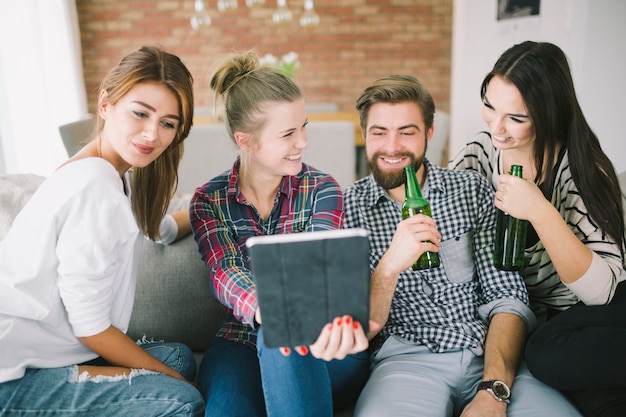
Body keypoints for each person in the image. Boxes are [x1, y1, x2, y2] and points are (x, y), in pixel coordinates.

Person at [344, 74, 582, 416]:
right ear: (365, 135)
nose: (392, 146)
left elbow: (508, 296)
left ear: (429, 133)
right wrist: (389, 265)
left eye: (407, 132)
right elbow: (358, 327)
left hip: (492, 356)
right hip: (405, 363)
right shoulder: (346, 209)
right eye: (379, 132)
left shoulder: (470, 191)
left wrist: (493, 388)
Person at [0, 46, 204, 416]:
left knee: (177, 358)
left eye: (168, 123)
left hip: (41, 350)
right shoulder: (96, 186)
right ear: (106, 103)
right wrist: (178, 385)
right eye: (140, 113)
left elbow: (152, 229)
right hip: (13, 375)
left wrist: (212, 204)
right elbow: (91, 327)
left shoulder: (100, 173)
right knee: (182, 400)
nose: (151, 134)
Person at [189, 50, 372, 417]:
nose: (302, 142)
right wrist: (269, 311)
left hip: (327, 342)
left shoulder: (323, 189)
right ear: (246, 141)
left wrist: (285, 320)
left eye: (304, 126)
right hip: (238, 344)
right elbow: (224, 271)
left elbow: (321, 279)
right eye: (288, 133)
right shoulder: (209, 200)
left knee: (282, 341)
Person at [450, 40, 626, 416]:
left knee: (545, 354)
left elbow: (603, 292)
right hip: (530, 319)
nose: (497, 128)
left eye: (516, 118)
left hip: (594, 315)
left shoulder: (581, 169)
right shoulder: (480, 154)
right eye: (489, 106)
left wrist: (540, 212)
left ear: (549, 115)